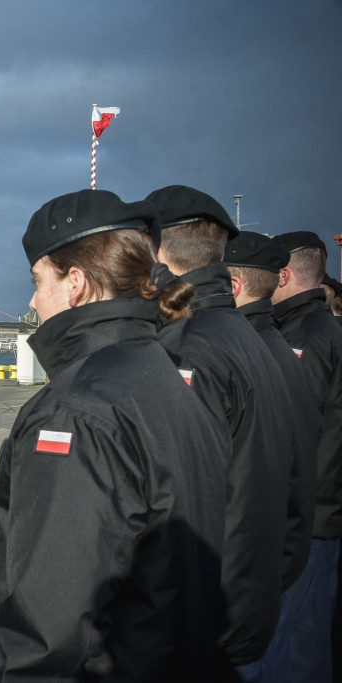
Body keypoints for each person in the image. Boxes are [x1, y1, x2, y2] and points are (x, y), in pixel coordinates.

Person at [0, 189, 231, 681]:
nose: (32, 300)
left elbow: (51, 633)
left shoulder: (75, 412)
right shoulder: (162, 373)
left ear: (74, 283)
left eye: (38, 280)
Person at [147, 185, 293, 674]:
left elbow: (176, 508)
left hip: (202, 624)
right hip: (242, 600)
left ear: (158, 256)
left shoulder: (187, 349)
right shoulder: (246, 337)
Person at [223, 232, 322, 680]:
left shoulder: (249, 351)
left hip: (263, 552)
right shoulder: (282, 345)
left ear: (235, 285)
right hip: (291, 537)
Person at [270, 230, 342, 680]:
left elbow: (295, 426)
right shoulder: (325, 328)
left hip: (309, 519)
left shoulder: (306, 337)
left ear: (284, 273)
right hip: (320, 511)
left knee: (300, 643)